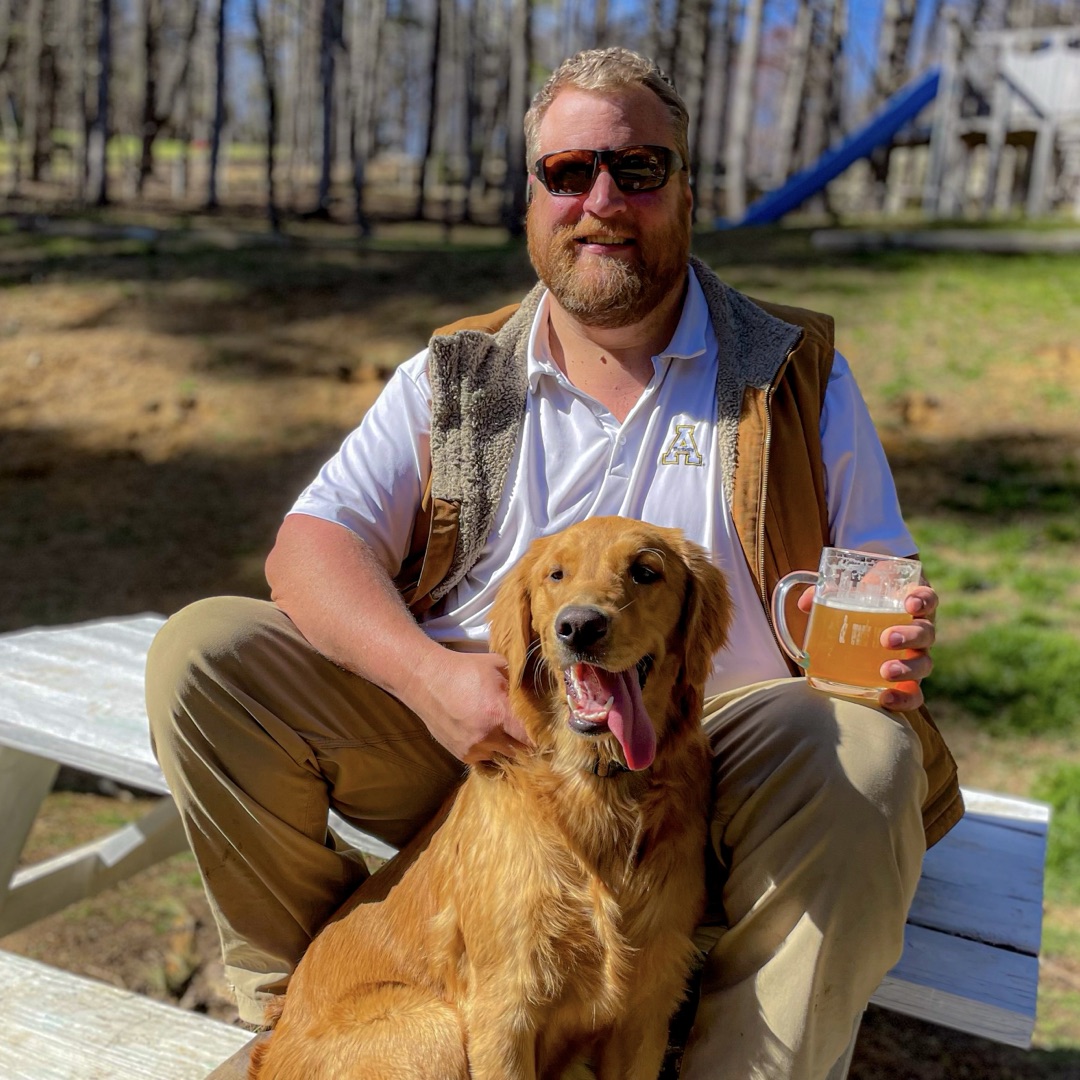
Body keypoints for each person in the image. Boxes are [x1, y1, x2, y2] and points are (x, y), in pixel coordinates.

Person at [147, 47, 961, 1080]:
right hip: (484, 735)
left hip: (716, 754)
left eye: (640, 170)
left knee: (864, 754)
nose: (602, 201)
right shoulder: (462, 373)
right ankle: (314, 1026)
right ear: (532, 199)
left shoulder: (793, 375)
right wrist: (434, 679)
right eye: (568, 173)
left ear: (687, 192)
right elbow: (310, 547)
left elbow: (876, 589)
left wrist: (893, 639)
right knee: (209, 654)